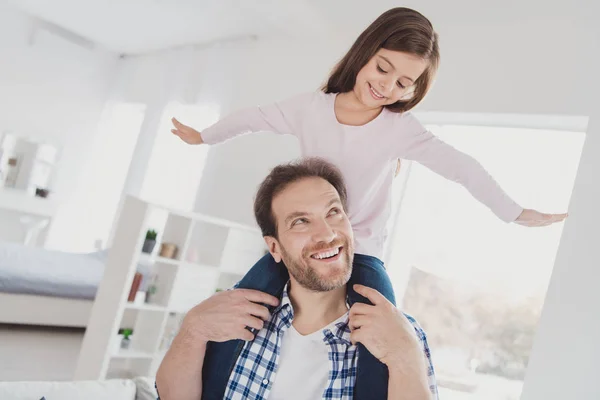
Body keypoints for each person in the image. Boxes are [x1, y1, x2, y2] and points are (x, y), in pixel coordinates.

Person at [170, 6, 567, 392]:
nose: (387, 87)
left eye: (403, 83)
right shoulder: (311, 108)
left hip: (363, 253)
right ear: (364, 53)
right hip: (306, 249)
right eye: (383, 68)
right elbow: (252, 118)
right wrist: (204, 136)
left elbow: (460, 167)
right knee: (239, 307)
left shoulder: (399, 129)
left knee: (384, 337)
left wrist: (512, 212)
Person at [156, 158, 438, 400]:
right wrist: (192, 330)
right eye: (300, 221)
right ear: (274, 247)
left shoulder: (401, 333)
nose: (327, 233)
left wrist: (405, 358)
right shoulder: (230, 315)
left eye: (333, 212)